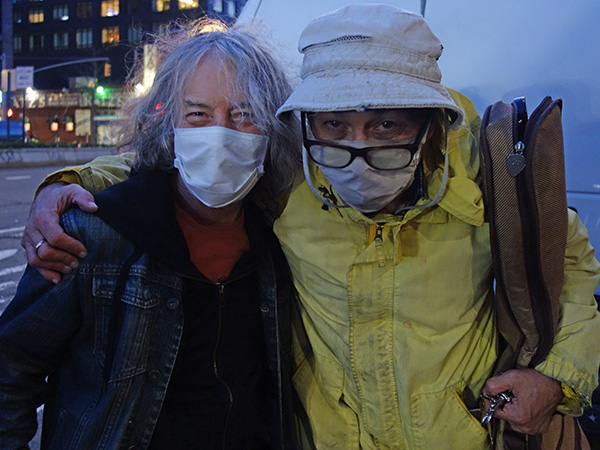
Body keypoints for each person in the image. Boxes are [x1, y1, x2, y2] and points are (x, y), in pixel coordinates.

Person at [19, 4, 600, 450]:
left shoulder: (487, 179)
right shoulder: (291, 179)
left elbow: (570, 263)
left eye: (387, 124)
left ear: (428, 126)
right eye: (335, 123)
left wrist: (556, 379)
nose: (357, 147)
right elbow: (173, 156)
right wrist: (65, 182)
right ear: (307, 124)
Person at [0, 19, 301, 450]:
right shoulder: (94, 234)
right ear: (169, 127)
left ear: (273, 130)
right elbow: (11, 371)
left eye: (244, 115)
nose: (220, 133)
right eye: (198, 114)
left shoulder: (279, 239)